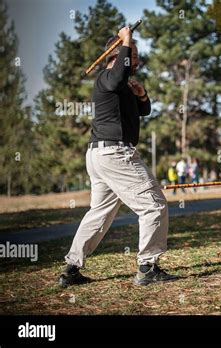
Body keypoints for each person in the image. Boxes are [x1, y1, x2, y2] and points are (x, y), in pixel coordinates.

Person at [58, 26, 177, 287]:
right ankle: (147, 268)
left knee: (99, 213)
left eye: (135, 55)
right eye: (132, 55)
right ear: (115, 54)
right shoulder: (107, 78)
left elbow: (143, 111)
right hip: (115, 153)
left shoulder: (121, 85)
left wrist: (142, 94)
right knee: (154, 205)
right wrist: (126, 40)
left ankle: (71, 268)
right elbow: (117, 73)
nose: (136, 60)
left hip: (101, 155)